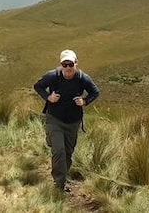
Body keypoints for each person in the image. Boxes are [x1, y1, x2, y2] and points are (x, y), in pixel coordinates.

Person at [33, 49, 100, 192]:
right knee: (59, 151)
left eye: (71, 64)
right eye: (65, 64)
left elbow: (95, 92)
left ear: (76, 63)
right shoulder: (52, 76)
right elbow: (37, 86)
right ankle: (59, 184)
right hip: (54, 119)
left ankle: (62, 177)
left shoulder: (83, 78)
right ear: (61, 65)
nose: (68, 68)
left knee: (68, 153)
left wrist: (85, 101)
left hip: (73, 122)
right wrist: (48, 97)